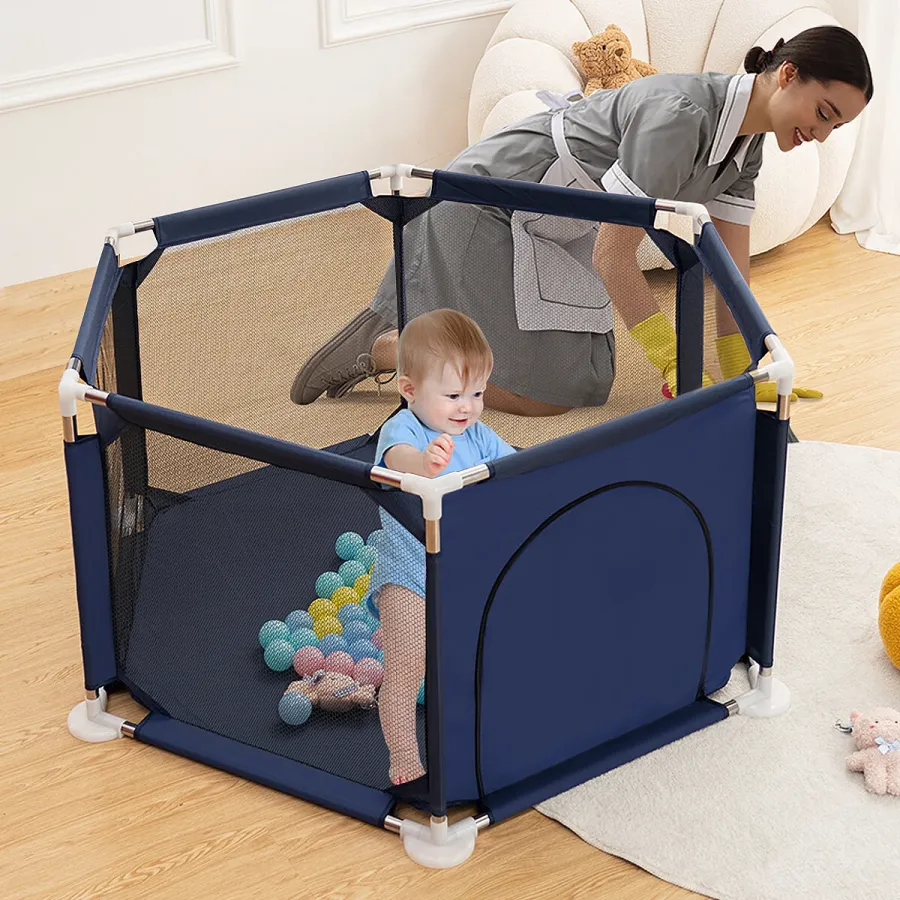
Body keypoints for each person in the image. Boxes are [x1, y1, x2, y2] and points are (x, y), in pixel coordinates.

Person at [291, 26, 873, 416]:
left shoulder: (748, 148)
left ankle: (422, 322)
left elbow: (730, 274)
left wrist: (746, 374)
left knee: (587, 382)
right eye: (823, 113)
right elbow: (612, 256)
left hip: (556, 223)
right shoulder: (681, 118)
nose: (822, 134)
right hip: (483, 202)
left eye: (836, 126)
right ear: (788, 74)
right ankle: (391, 346)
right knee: (538, 397)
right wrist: (673, 360)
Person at [365, 309, 516, 784]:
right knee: (407, 667)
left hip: (464, 570)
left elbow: (515, 467)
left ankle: (484, 741)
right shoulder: (404, 431)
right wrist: (426, 466)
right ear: (409, 390)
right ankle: (404, 759)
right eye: (453, 395)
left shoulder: (477, 435)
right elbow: (398, 463)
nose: (467, 407)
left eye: (478, 393)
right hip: (409, 572)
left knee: (476, 659)